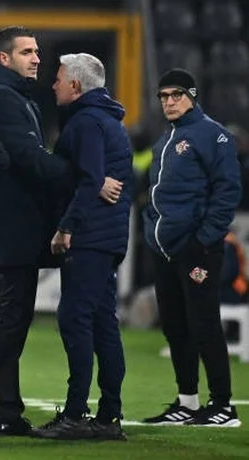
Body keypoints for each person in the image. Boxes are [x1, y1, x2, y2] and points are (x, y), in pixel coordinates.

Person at [0, 26, 121, 436]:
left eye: (37, 52)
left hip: (10, 224)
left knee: (10, 320)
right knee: (11, 321)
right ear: (4, 59)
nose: (36, 59)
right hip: (12, 225)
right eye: (27, 52)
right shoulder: (1, 99)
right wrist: (88, 178)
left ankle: (8, 412)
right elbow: (29, 160)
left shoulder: (7, 96)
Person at [32, 53, 132, 441]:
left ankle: (76, 413)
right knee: (103, 323)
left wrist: (66, 227)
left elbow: (92, 181)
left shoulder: (87, 122)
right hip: (106, 237)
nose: (53, 84)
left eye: (58, 79)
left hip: (89, 236)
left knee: (75, 318)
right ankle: (108, 415)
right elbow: (100, 177)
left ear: (75, 85)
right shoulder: (108, 120)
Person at [141, 68, 242, 427]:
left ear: (192, 96)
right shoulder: (166, 137)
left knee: (204, 325)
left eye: (176, 95)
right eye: (163, 96)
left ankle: (224, 406)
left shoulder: (214, 136)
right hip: (165, 248)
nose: (168, 101)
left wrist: (203, 239)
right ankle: (187, 402)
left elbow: (227, 191)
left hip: (197, 248)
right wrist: (151, 229)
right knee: (175, 326)